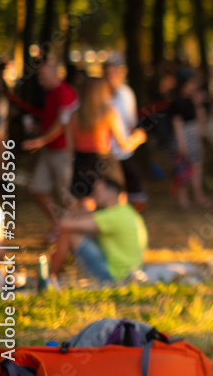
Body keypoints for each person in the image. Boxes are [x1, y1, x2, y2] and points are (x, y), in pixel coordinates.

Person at [49, 172, 148, 285]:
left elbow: (64, 225)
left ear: (111, 193)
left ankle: (50, 278)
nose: (94, 197)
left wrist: (77, 208)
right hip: (129, 271)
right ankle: (54, 276)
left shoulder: (112, 216)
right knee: (76, 232)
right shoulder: (125, 211)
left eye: (97, 192)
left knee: (69, 234)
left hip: (115, 276)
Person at [63, 77, 147, 208]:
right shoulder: (109, 113)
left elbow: (70, 149)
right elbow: (124, 145)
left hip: (82, 163)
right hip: (104, 161)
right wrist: (139, 137)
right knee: (116, 202)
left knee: (85, 205)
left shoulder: (74, 115)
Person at [18, 59, 78, 241]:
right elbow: (53, 121)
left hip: (63, 151)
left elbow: (62, 123)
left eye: (43, 76)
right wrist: (40, 130)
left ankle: (72, 234)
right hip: (49, 150)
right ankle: (58, 225)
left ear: (55, 73)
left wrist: (41, 140)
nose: (40, 81)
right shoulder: (51, 94)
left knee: (67, 197)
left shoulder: (65, 93)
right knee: (38, 188)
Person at [103, 58, 146, 211]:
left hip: (124, 152)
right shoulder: (102, 100)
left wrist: (133, 139)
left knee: (131, 187)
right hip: (108, 153)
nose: (111, 77)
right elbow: (124, 140)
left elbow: (130, 123)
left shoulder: (126, 94)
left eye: (114, 73)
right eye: (108, 74)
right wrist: (137, 138)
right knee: (115, 191)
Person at [168, 70, 209, 209]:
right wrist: (181, 145)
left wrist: (198, 104)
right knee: (183, 171)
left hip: (193, 137)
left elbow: (201, 120)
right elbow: (177, 123)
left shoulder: (192, 101)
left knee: (196, 168)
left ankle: (199, 196)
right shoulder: (177, 102)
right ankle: (183, 200)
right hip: (183, 139)